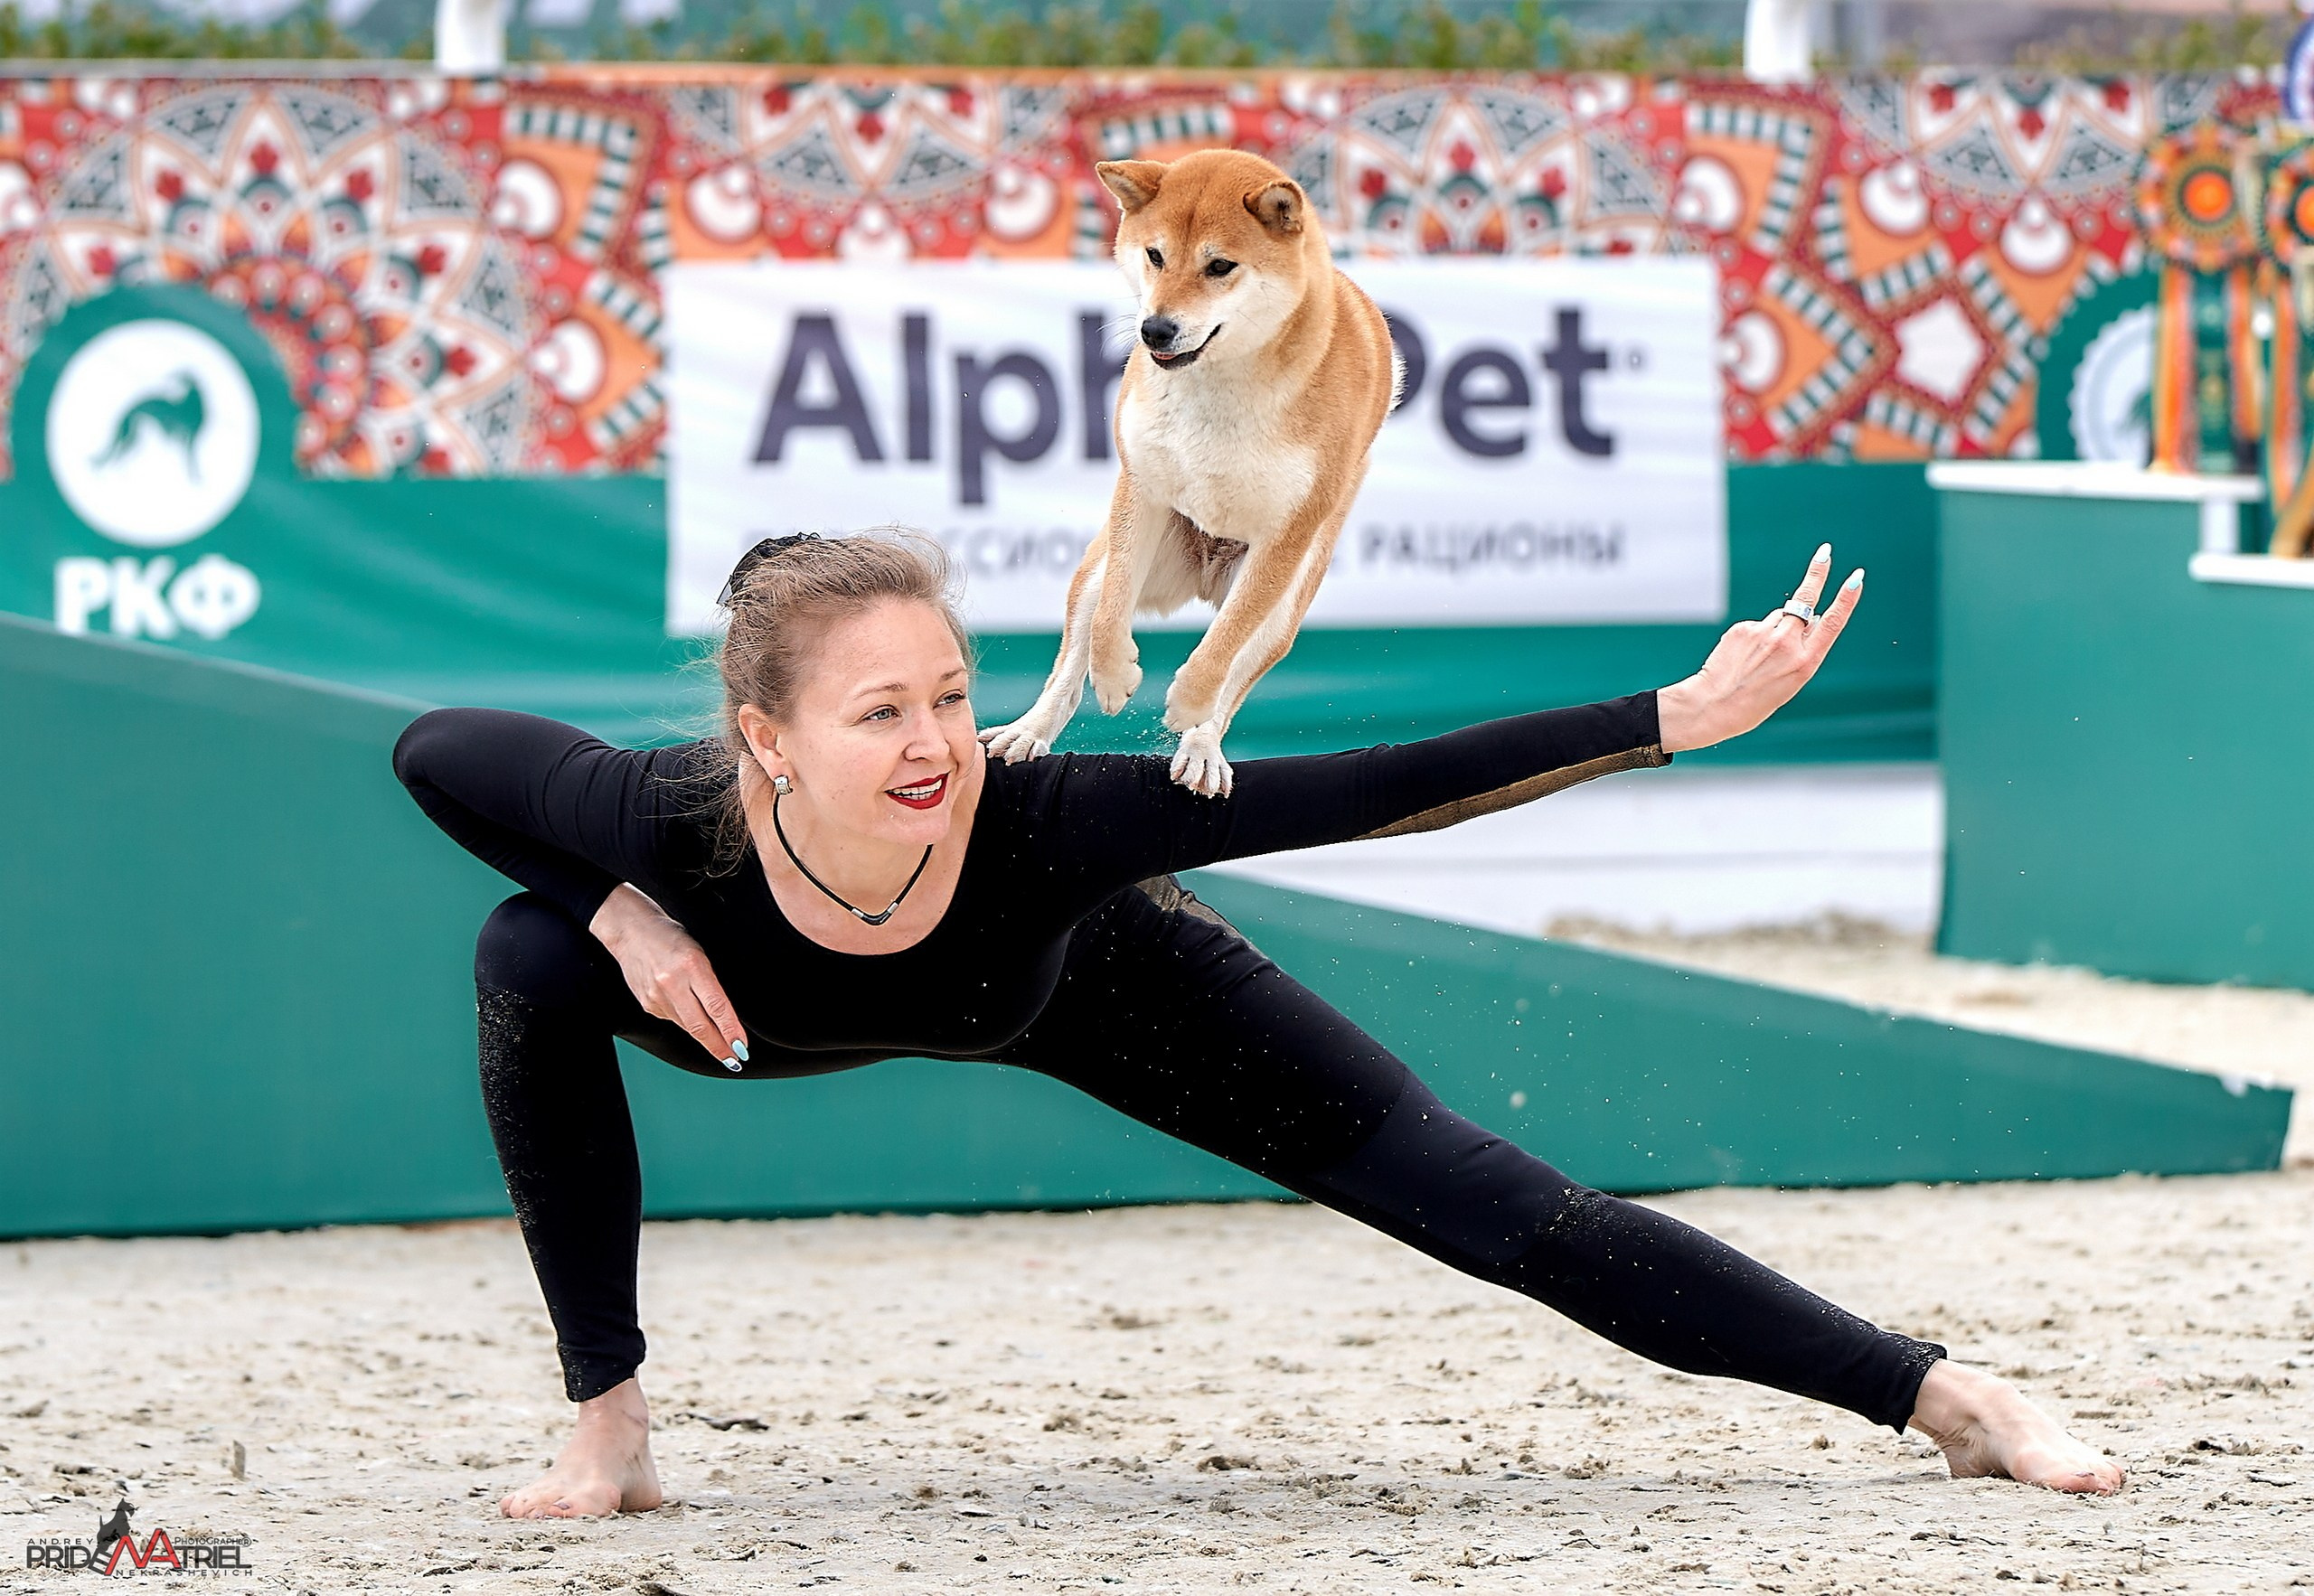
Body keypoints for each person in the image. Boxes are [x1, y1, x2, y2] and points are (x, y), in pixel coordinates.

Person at [390, 530, 2124, 1520]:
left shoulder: (1043, 818)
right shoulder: (667, 816)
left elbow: (1361, 787)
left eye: (953, 695)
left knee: (1499, 1202)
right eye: (879, 713)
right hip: (756, 1006)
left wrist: (1668, 713)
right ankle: (609, 1421)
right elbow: (436, 751)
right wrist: (614, 907)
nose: (933, 743)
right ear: (768, 740)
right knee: (527, 947)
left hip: (1109, 995)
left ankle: (1941, 1392)